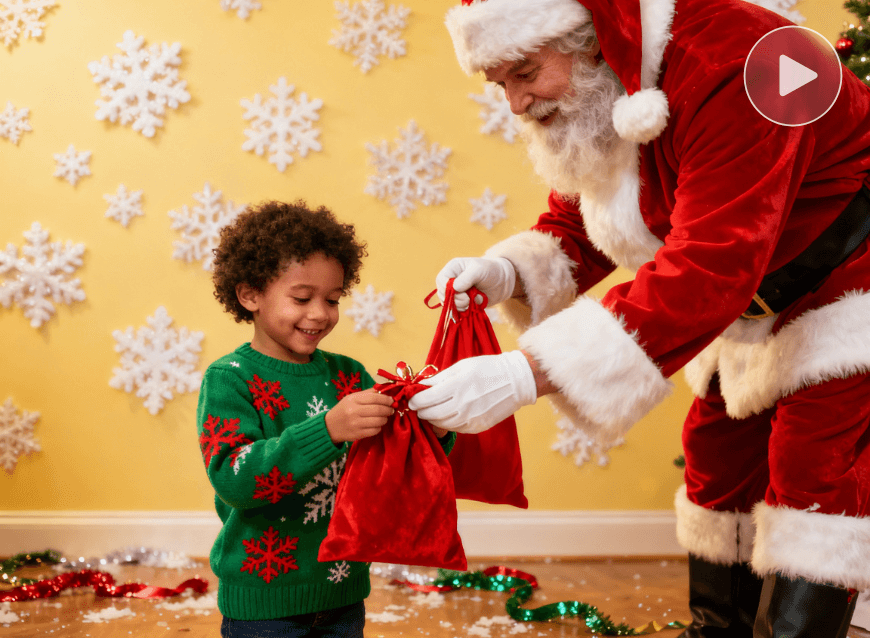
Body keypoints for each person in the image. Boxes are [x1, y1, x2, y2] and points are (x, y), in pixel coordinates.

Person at [408, 0, 870, 635]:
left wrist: (524, 375)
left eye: (525, 73)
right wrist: (508, 272)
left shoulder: (734, 63)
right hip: (757, 301)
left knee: (814, 473)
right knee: (718, 461)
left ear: (591, 36)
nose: (515, 103)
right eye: (499, 85)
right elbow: (600, 213)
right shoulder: (611, 85)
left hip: (847, 286)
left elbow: (711, 264)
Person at [198, 200, 398, 638]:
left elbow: (394, 460)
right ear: (250, 295)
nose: (321, 313)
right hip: (263, 608)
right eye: (302, 298)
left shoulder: (348, 375)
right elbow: (235, 480)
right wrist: (328, 430)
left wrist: (434, 430)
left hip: (343, 595)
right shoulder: (230, 379)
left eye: (333, 299)